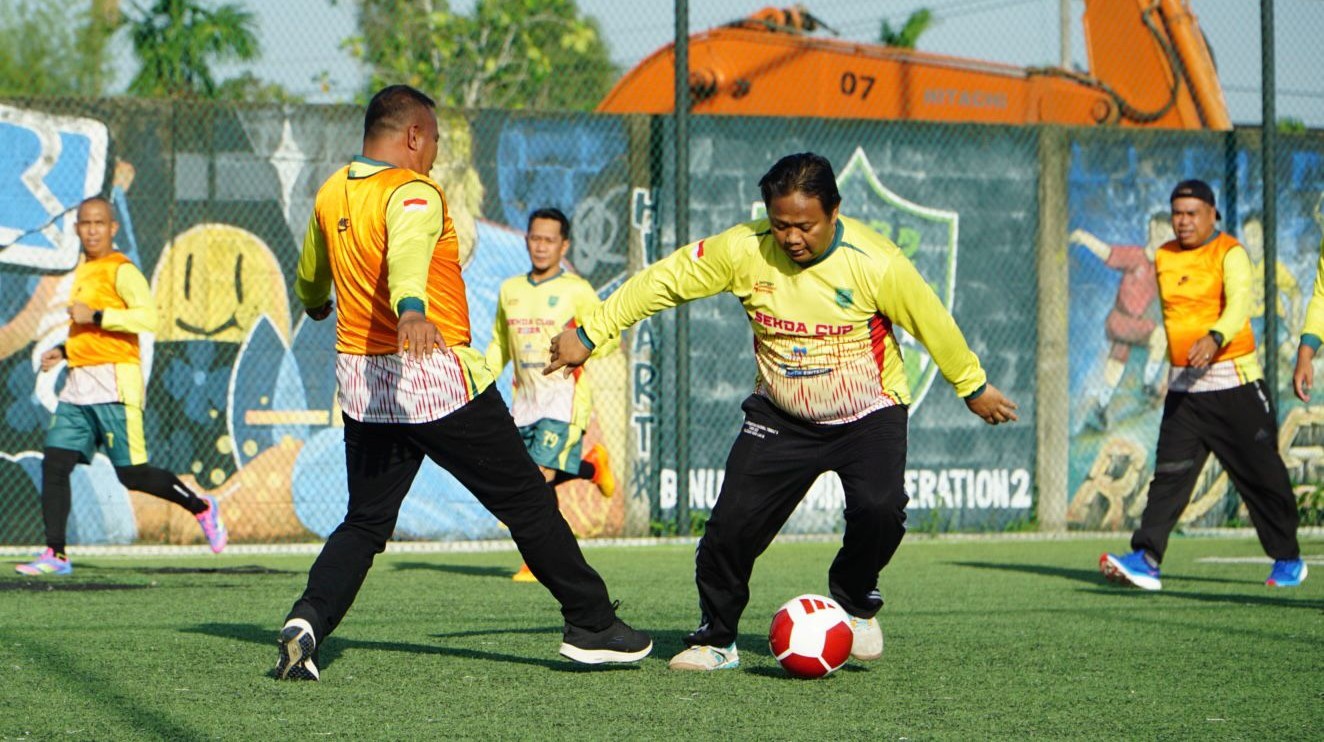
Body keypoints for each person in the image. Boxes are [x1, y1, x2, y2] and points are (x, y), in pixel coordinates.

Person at [545, 152, 1019, 671]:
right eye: (780, 224)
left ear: (834, 212)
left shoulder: (877, 262)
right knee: (729, 529)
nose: (791, 238)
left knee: (881, 508)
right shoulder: (743, 249)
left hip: (869, 414)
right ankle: (716, 639)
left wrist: (972, 386)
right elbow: (663, 280)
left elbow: (933, 322)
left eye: (805, 226)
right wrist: (590, 333)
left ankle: (855, 599)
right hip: (780, 416)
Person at [277, 85, 650, 681]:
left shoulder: (332, 190)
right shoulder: (414, 191)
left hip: (365, 383)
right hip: (429, 373)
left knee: (365, 521)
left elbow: (311, 273)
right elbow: (406, 253)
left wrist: (315, 300)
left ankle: (308, 620)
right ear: (414, 135)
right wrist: (410, 308)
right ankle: (593, 625)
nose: (433, 156)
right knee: (526, 500)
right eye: (433, 141)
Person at [1101, 179, 1307, 590]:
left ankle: (1288, 558)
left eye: (1192, 214)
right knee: (1169, 476)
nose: (1183, 221)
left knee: (1261, 475)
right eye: (1177, 214)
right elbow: (1172, 317)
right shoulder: (1164, 256)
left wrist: (1214, 337)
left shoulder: (1231, 252)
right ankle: (1146, 559)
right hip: (1185, 392)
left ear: (1213, 214)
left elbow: (1240, 305)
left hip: (1235, 386)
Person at [14, 197, 227, 576]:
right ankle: (56, 554)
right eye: (85, 223)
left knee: (132, 475)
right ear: (77, 229)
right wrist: (64, 350)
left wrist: (96, 315)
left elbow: (147, 318)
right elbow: (89, 330)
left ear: (113, 228)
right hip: (77, 385)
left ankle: (202, 507)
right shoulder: (84, 269)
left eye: (99, 223)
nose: (92, 229)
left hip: (114, 384)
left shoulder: (122, 269)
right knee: (55, 464)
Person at [486, 207, 619, 583]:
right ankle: (592, 467)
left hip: (564, 400)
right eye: (535, 238)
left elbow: (609, 336)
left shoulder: (577, 290)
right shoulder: (510, 290)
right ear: (526, 240)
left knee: (537, 478)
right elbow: (500, 344)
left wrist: (584, 349)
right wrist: (480, 378)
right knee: (530, 479)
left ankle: (538, 561)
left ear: (564, 246)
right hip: (525, 403)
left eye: (549, 240)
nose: (540, 246)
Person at [1069, 216, 1172, 431]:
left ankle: (1101, 406)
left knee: (1116, 363)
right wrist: (1084, 238)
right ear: (1152, 229)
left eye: (1168, 236)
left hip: (1133, 325)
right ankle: (1147, 386)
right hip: (1120, 320)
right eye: (1161, 232)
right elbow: (1107, 253)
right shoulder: (1135, 256)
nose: (1163, 239)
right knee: (1160, 337)